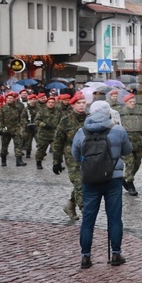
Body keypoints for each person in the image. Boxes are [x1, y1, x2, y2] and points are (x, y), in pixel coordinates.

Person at [72, 100, 133, 268]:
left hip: (90, 179)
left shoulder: (81, 132)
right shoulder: (118, 130)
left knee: (88, 219)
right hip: (113, 178)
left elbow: (75, 155)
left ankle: (85, 257)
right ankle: (116, 254)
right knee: (114, 217)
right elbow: (128, 150)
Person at [53, 93, 88, 222]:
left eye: (83, 103)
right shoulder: (65, 120)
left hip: (88, 156)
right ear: (72, 105)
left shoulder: (90, 119)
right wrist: (57, 161)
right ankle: (85, 211)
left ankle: (70, 206)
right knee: (79, 183)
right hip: (72, 157)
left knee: (85, 182)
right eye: (78, 103)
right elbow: (58, 141)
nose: (81, 105)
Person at [118, 92, 142, 195]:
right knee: (130, 163)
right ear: (125, 103)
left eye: (134, 101)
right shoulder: (121, 114)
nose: (133, 103)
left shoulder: (138, 113)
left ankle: (126, 178)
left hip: (137, 143)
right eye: (130, 102)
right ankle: (130, 184)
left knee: (137, 164)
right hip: (125, 144)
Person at [0, 91, 27, 166]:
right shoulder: (3, 108)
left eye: (11, 98)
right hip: (5, 128)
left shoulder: (19, 107)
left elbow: (23, 118)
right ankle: (3, 161)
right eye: (8, 98)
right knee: (4, 145)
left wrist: (22, 127)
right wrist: (0, 129)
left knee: (18, 144)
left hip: (16, 128)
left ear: (14, 99)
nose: (9, 99)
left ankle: (19, 160)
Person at [33, 95, 60, 170]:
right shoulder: (42, 111)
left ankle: (57, 164)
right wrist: (44, 125)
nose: (51, 104)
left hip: (54, 134)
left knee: (56, 150)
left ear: (55, 103)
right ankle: (38, 162)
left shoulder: (58, 111)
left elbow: (62, 121)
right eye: (49, 102)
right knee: (41, 150)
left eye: (52, 102)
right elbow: (36, 121)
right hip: (43, 134)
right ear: (46, 103)